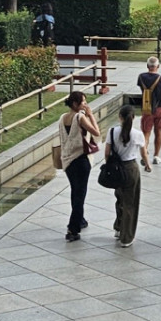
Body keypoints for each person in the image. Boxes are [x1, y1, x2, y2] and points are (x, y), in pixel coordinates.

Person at [102, 105, 151, 247]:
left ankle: (118, 227)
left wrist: (109, 165)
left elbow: (106, 153)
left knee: (120, 197)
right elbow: (144, 153)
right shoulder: (138, 134)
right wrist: (148, 165)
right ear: (133, 118)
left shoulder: (112, 132)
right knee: (131, 202)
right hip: (131, 168)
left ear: (120, 117)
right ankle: (126, 236)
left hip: (117, 168)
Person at [57, 91, 100, 242]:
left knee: (75, 191)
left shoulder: (63, 118)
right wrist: (91, 114)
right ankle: (72, 229)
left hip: (67, 160)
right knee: (80, 194)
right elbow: (96, 132)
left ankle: (80, 219)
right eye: (83, 102)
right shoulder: (80, 117)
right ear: (75, 104)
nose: (85, 105)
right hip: (81, 160)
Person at [137, 56, 161, 163]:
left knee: (146, 133)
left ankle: (145, 153)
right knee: (158, 131)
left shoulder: (141, 77)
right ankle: (156, 156)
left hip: (146, 109)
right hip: (160, 108)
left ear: (147, 66)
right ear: (158, 66)